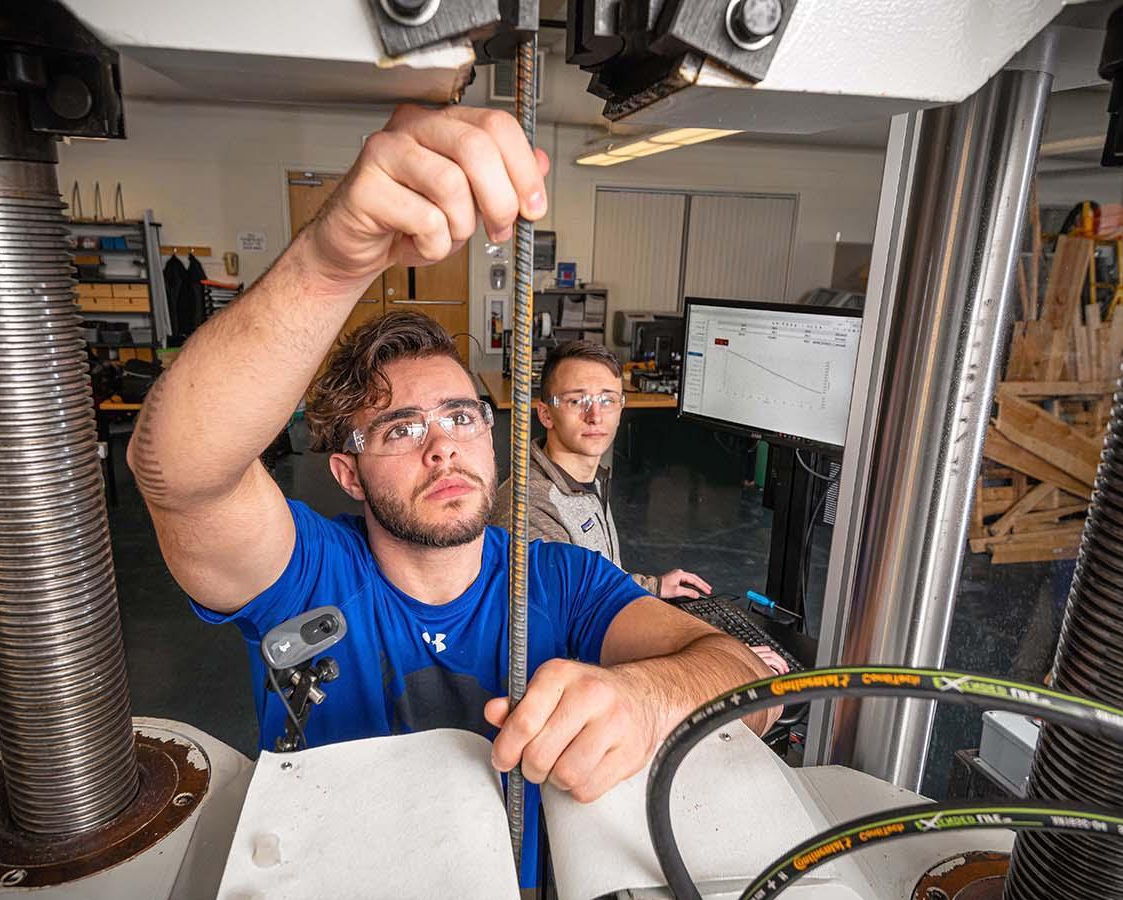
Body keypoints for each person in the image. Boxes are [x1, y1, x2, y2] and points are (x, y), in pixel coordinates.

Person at [127, 103, 777, 886]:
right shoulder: (308, 578)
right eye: (401, 430)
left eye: (462, 416)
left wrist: (645, 698)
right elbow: (180, 471)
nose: (443, 444)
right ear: (347, 472)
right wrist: (333, 261)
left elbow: (743, 678)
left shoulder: (558, 584)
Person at [491, 340, 711, 600]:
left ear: (620, 410)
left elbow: (590, 580)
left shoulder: (584, 481)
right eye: (576, 400)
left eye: (607, 400)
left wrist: (653, 587)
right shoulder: (531, 510)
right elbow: (572, 615)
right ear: (546, 414)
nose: (595, 415)